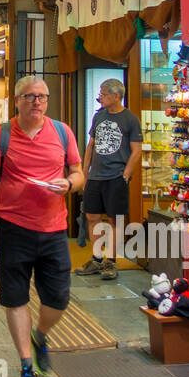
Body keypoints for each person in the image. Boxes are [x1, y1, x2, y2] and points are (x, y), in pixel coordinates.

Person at [0, 76, 84, 377]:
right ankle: (26, 365)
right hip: (13, 228)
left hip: (54, 230)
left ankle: (41, 334)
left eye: (42, 97)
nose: (37, 102)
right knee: (15, 297)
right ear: (17, 100)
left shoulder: (63, 133)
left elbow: (79, 174)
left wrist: (69, 184)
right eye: (29, 97)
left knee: (58, 299)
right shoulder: (1, 136)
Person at [76, 78, 143, 281]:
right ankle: (96, 258)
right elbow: (91, 145)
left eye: (104, 94)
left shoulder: (130, 119)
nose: (100, 97)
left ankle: (111, 261)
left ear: (116, 96)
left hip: (116, 176)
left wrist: (125, 175)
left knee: (115, 219)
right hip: (95, 175)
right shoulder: (99, 117)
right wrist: (84, 171)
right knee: (92, 216)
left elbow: (136, 150)